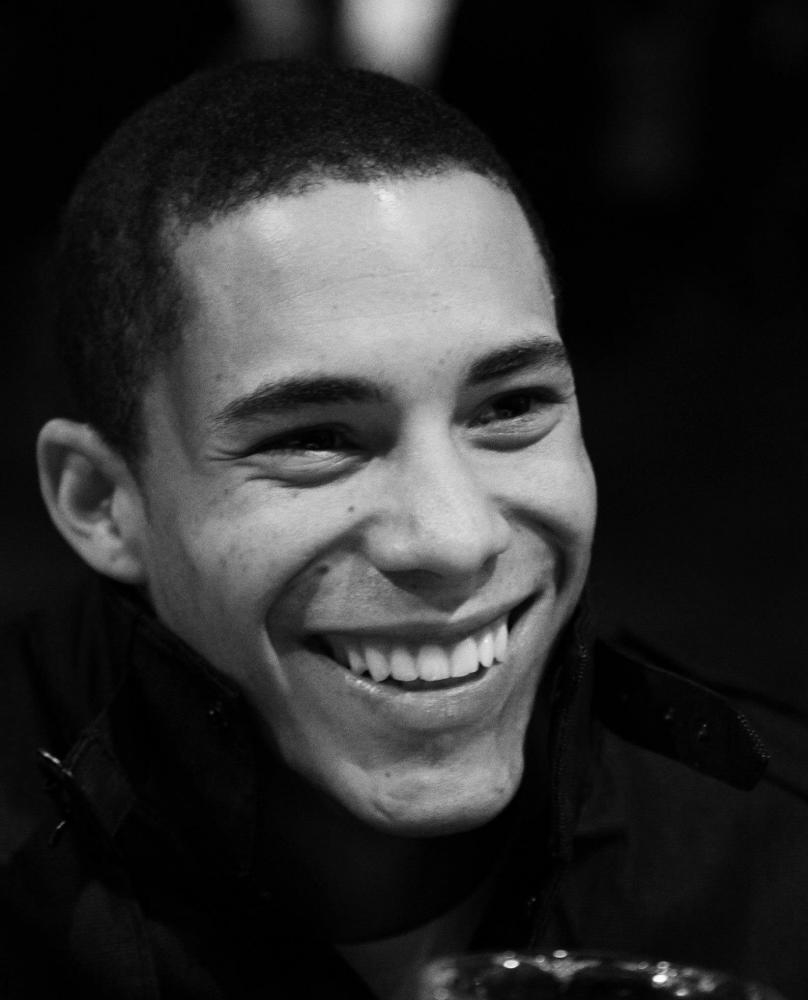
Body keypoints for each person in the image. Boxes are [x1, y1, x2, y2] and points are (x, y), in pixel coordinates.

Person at [0, 59, 804, 1000]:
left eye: (509, 407)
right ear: (101, 501)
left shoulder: (776, 854)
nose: (454, 541)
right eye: (315, 439)